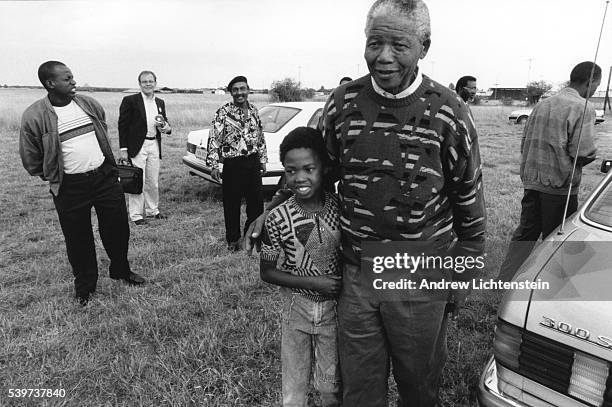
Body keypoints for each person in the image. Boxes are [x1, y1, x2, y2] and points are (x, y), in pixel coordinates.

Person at [248, 0, 486, 405]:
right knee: (359, 387)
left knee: (419, 383)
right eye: (375, 43)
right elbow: (313, 168)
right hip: (357, 275)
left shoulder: (450, 113)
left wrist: (461, 278)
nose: (384, 57)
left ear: (424, 46)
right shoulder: (342, 104)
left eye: (399, 45)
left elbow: (470, 204)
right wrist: (272, 208)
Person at [19, 61, 145, 305]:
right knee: (78, 238)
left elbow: (102, 130)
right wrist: (53, 174)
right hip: (69, 187)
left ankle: (120, 269)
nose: (74, 82)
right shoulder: (34, 116)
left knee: (118, 228)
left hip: (105, 178)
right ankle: (85, 287)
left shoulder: (87, 104)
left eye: (72, 77)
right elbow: (31, 158)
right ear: (50, 83)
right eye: (67, 79)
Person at [260, 127, 342, 407]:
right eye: (291, 170)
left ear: (324, 168)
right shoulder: (277, 218)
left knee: (330, 386)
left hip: (335, 312)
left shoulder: (340, 208)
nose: (300, 178)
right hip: (296, 309)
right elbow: (267, 271)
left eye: (309, 168)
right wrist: (313, 283)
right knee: (294, 387)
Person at [497, 61, 600, 282]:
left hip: (532, 181)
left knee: (525, 234)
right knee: (555, 241)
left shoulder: (543, 104)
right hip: (559, 186)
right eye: (595, 86)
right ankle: (547, 289)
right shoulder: (583, 107)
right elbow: (583, 152)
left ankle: (504, 281)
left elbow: (524, 142)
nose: (593, 92)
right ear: (590, 82)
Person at [206, 75, 268, 251]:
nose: (239, 93)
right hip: (233, 164)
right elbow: (214, 140)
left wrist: (262, 160)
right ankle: (233, 241)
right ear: (231, 92)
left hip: (253, 162)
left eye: (243, 89)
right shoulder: (223, 112)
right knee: (231, 205)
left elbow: (260, 137)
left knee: (256, 203)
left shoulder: (255, 110)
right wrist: (214, 165)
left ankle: (251, 236)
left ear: (248, 90)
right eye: (235, 90)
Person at [118, 70, 171, 225]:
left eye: (151, 81)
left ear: (155, 83)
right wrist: (123, 149)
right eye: (144, 81)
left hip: (154, 144)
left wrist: (166, 127)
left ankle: (153, 211)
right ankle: (136, 215)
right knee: (137, 180)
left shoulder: (160, 102)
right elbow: (123, 126)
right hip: (137, 146)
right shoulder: (130, 101)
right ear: (139, 84)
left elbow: (164, 123)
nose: (148, 84)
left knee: (152, 181)